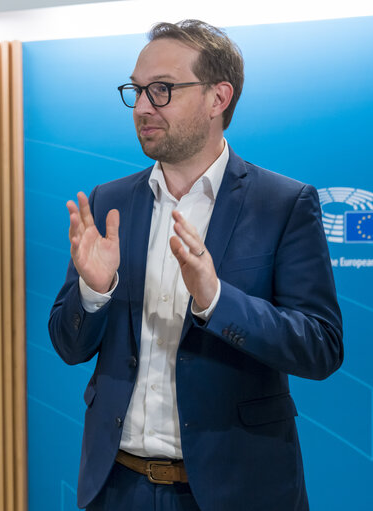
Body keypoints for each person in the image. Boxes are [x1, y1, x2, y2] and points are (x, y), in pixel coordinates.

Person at [48, 20, 343, 511]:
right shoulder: (108, 202)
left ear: (217, 98)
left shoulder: (283, 204)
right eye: (137, 91)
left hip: (238, 489)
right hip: (118, 487)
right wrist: (93, 294)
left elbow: (321, 347)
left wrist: (217, 301)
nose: (142, 107)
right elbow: (68, 344)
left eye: (161, 90)